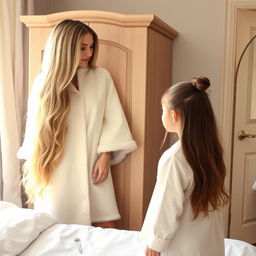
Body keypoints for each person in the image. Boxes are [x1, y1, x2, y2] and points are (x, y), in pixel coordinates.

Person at [17, 19, 137, 228]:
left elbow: (113, 119)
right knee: (57, 231)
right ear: (65, 48)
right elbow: (34, 133)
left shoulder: (101, 78)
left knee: (107, 226)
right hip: (57, 171)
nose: (89, 53)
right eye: (82, 48)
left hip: (94, 168)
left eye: (91, 47)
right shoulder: (43, 84)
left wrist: (105, 155)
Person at [140, 77, 229, 256]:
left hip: (181, 247)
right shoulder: (212, 151)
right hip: (208, 245)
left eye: (162, 110)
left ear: (174, 115)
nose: (161, 115)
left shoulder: (175, 158)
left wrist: (156, 242)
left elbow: (167, 206)